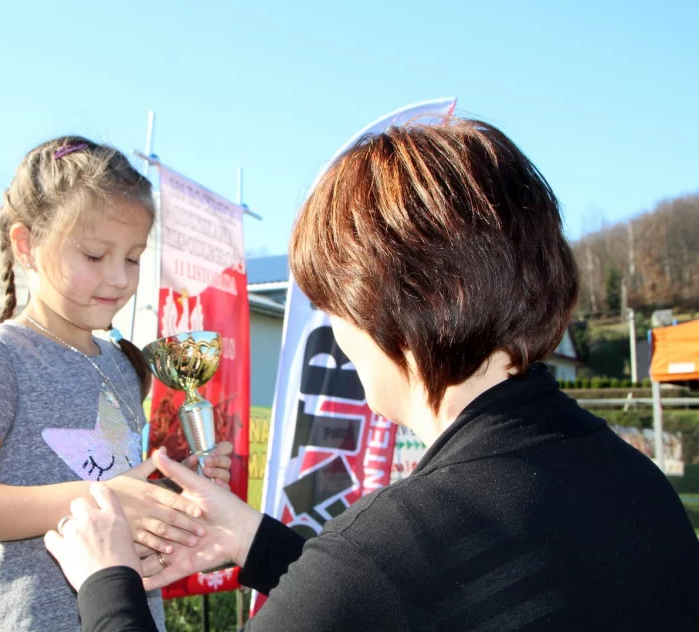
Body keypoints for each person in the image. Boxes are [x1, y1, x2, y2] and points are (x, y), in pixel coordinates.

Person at [42, 118, 699, 631]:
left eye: (339, 313)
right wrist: (255, 542)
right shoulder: (629, 481)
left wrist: (106, 581)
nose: (340, 342)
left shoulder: (396, 543)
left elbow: (387, 581)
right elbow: (437, 598)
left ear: (411, 312)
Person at [0, 136, 233, 631]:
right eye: (94, 256)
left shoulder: (120, 364)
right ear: (27, 245)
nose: (118, 279)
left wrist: (171, 493)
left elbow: (119, 493)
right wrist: (102, 498)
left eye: (132, 258)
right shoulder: (1, 356)